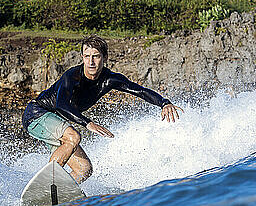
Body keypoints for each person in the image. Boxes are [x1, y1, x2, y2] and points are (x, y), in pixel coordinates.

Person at [22, 35, 183, 184]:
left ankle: (57, 195)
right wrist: (88, 123)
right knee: (73, 137)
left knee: (84, 170)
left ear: (104, 58)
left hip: (57, 125)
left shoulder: (109, 79)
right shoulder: (72, 76)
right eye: (87, 56)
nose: (91, 62)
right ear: (82, 57)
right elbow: (61, 105)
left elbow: (138, 90)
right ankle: (48, 185)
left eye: (96, 56)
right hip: (37, 114)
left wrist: (164, 103)